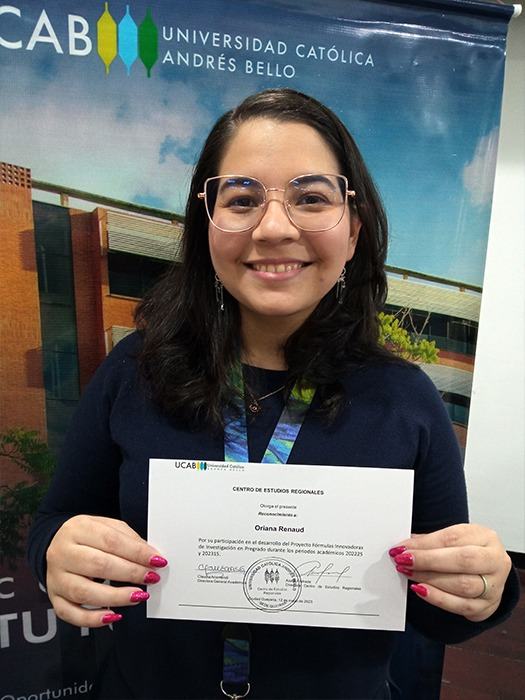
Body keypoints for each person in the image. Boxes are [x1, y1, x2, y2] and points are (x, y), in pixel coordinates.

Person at [28, 88, 518, 699]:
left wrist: (484, 589)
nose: (275, 228)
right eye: (242, 199)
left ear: (354, 229)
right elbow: (52, 524)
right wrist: (57, 553)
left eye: (311, 198)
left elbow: (440, 613)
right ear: (207, 226)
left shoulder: (406, 400)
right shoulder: (136, 369)